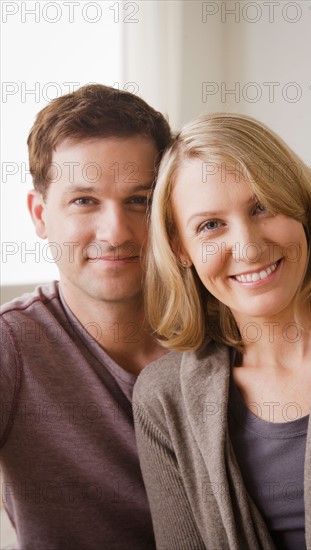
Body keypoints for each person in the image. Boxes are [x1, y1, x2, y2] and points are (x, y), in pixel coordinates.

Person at [133, 113, 311, 549]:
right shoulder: (164, 398)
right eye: (210, 225)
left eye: (262, 206)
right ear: (182, 248)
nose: (249, 246)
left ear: (304, 211)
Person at [0, 84, 171, 549]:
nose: (115, 232)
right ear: (39, 215)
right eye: (84, 201)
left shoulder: (231, 326)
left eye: (140, 200)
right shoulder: (13, 346)